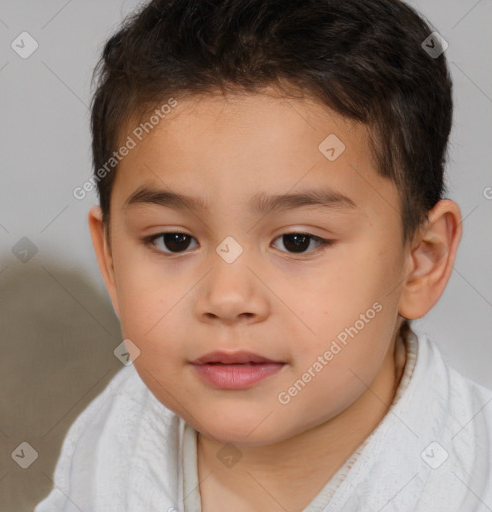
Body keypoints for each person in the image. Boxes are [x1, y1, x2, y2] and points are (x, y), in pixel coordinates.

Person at [34, 0, 492, 510]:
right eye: (174, 240)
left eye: (298, 241)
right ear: (113, 262)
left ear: (420, 261)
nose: (228, 298)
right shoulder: (110, 438)